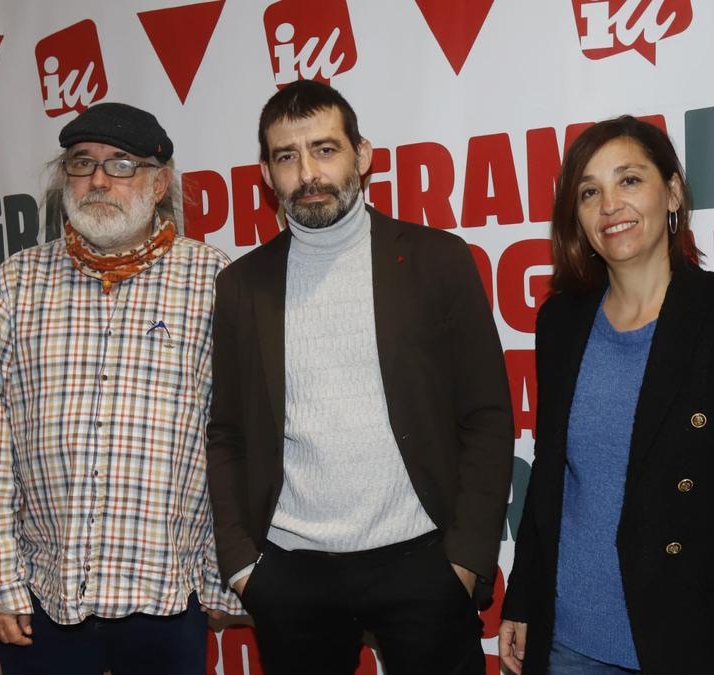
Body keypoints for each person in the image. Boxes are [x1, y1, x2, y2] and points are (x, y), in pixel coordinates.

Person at [205, 79, 514, 675]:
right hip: (291, 573)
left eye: (325, 149)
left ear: (362, 154)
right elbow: (227, 433)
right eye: (287, 157)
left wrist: (466, 559)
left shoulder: (438, 260)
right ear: (266, 173)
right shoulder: (242, 285)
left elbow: (486, 415)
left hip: (425, 563)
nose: (308, 174)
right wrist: (243, 565)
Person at [498, 116, 714, 675]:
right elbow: (551, 476)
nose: (611, 205)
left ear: (673, 192)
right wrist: (523, 596)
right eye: (590, 192)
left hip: (687, 641)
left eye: (630, 180)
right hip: (568, 641)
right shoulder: (561, 322)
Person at [0, 101, 241, 675]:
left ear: (159, 183)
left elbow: (229, 443)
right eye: (82, 163)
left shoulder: (212, 279)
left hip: (167, 594)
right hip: (44, 594)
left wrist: (220, 578)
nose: (99, 180)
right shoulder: (16, 283)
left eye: (122, 164)